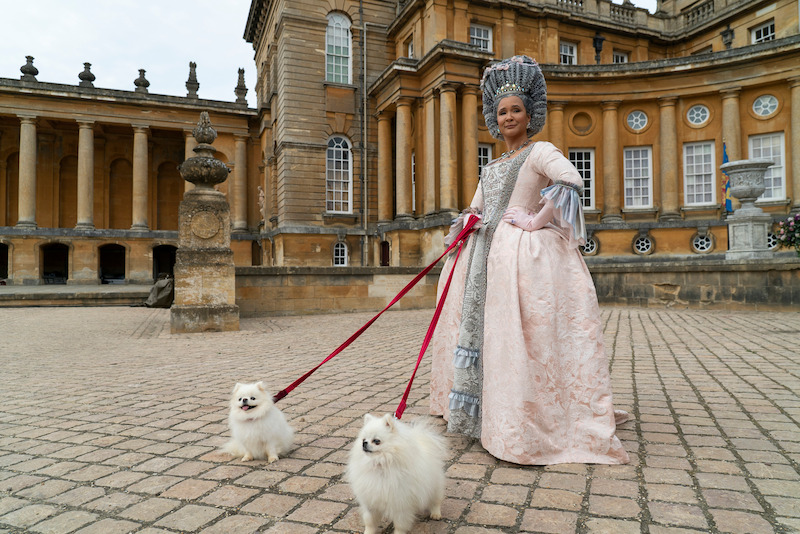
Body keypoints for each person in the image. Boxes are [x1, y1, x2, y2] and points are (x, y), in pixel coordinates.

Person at [430, 55, 630, 465]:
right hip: (483, 258)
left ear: (529, 113)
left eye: (515, 110)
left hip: (517, 259)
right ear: (494, 117)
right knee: (484, 339)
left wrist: (535, 220)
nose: (508, 117)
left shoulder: (540, 151)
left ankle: (522, 422)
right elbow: (475, 209)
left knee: (519, 339)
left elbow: (571, 180)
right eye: (502, 111)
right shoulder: (493, 164)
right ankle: (483, 415)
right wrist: (466, 226)